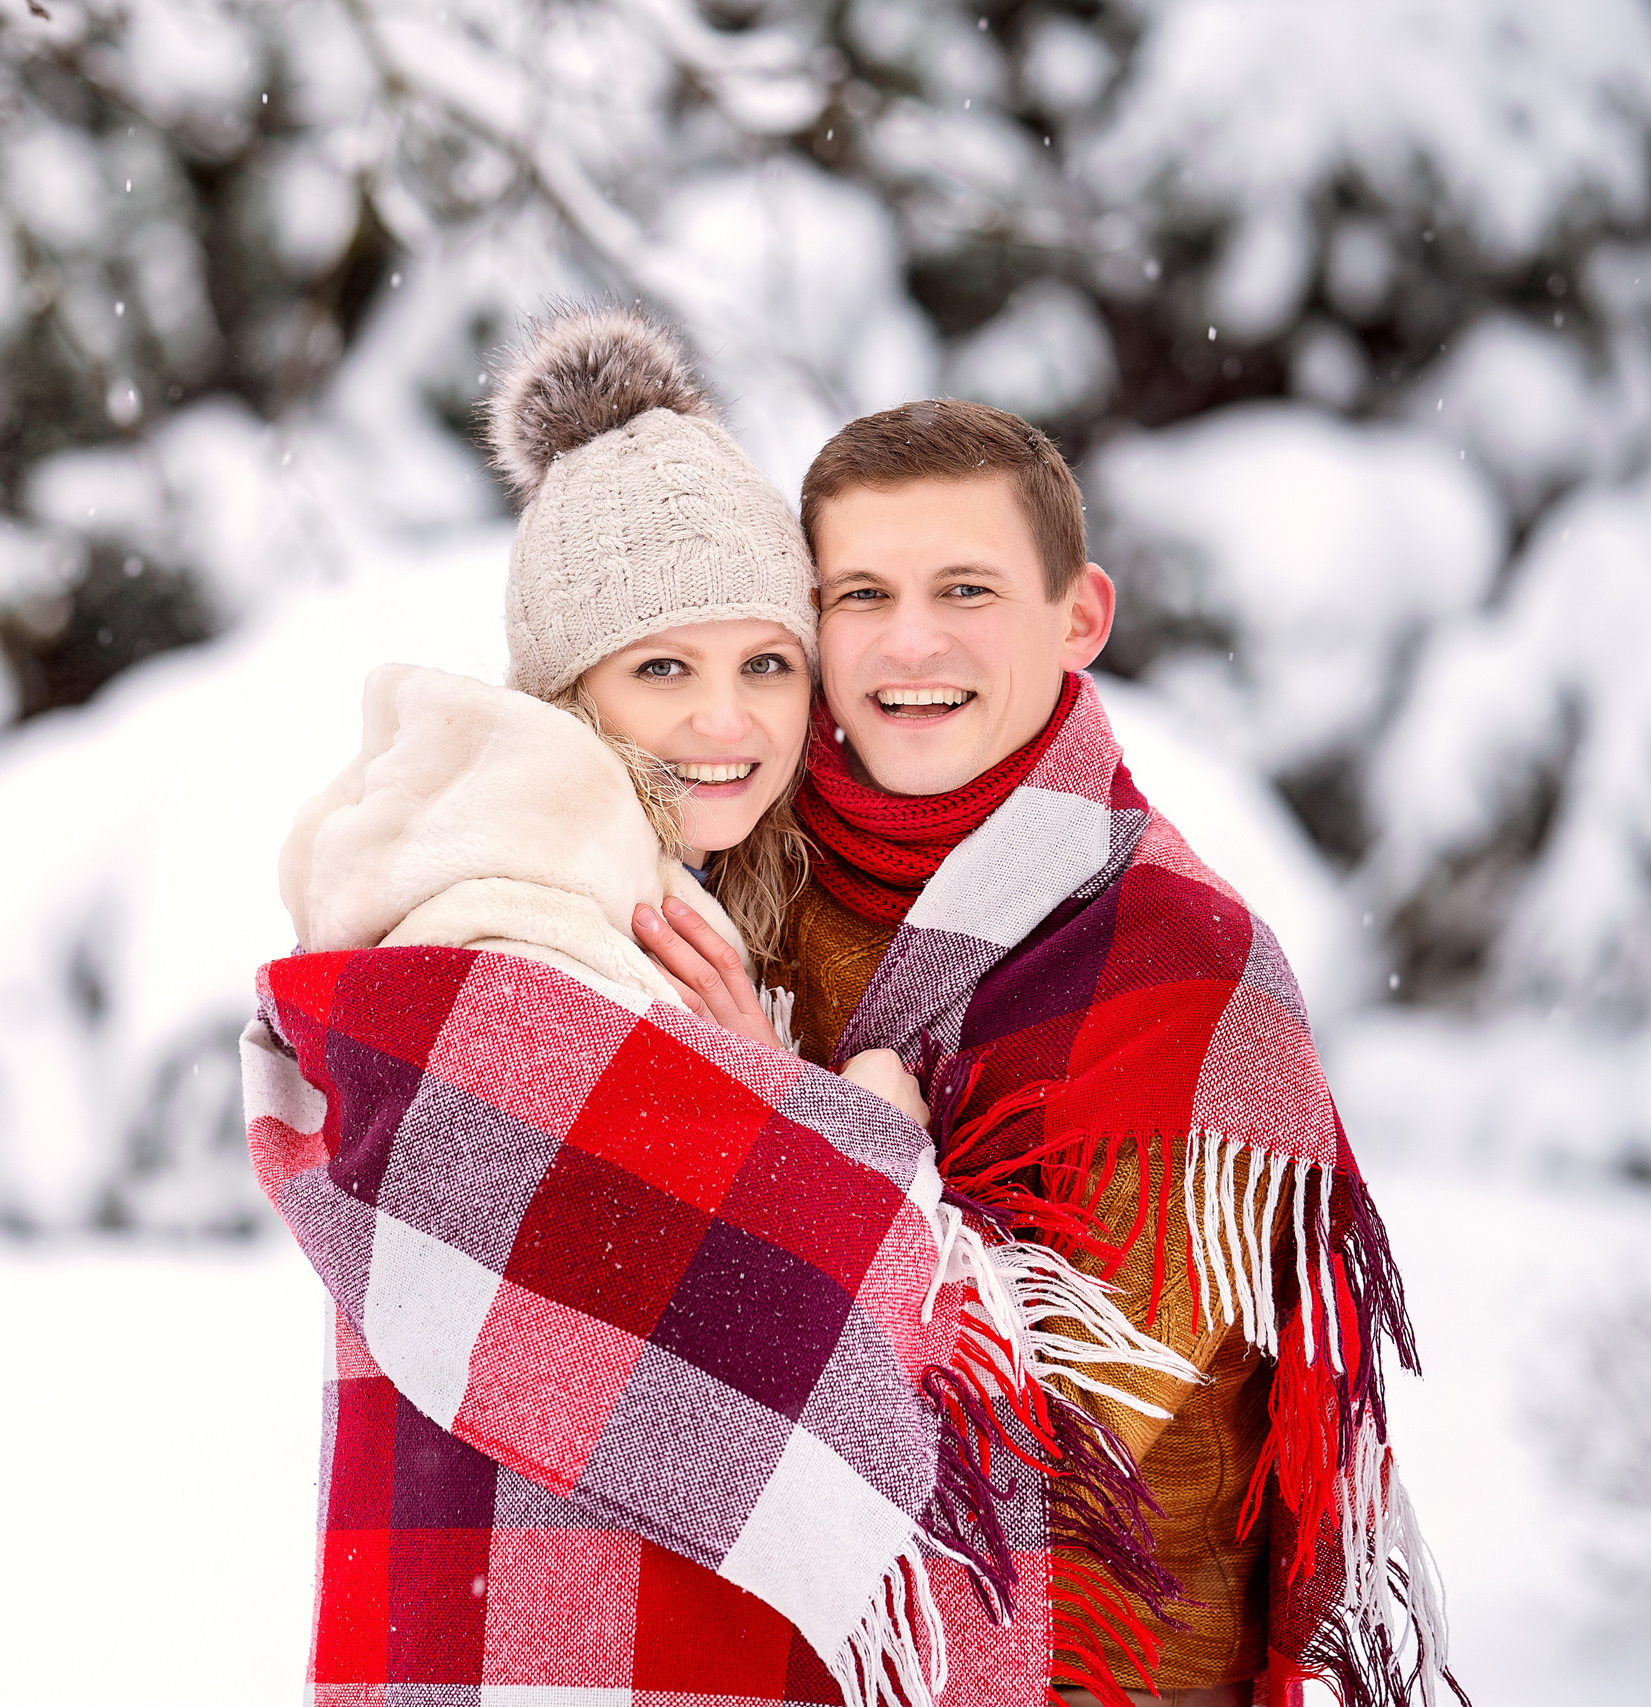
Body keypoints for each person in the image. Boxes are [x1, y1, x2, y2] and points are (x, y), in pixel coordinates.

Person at [249, 310, 1212, 1707]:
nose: (728, 723)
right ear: (567, 690)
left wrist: (752, 1088)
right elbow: (743, 1300)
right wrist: (838, 1128)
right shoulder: (514, 912)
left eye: (766, 664)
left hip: (558, 1627)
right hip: (548, 1632)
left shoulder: (659, 901)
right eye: (663, 670)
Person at [627, 398, 1457, 1705]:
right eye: (862, 594)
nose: (911, 643)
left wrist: (795, 1138)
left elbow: (1020, 1455)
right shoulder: (741, 884)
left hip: (1101, 1667)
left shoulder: (1183, 969)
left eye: (967, 589)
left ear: (1080, 616)